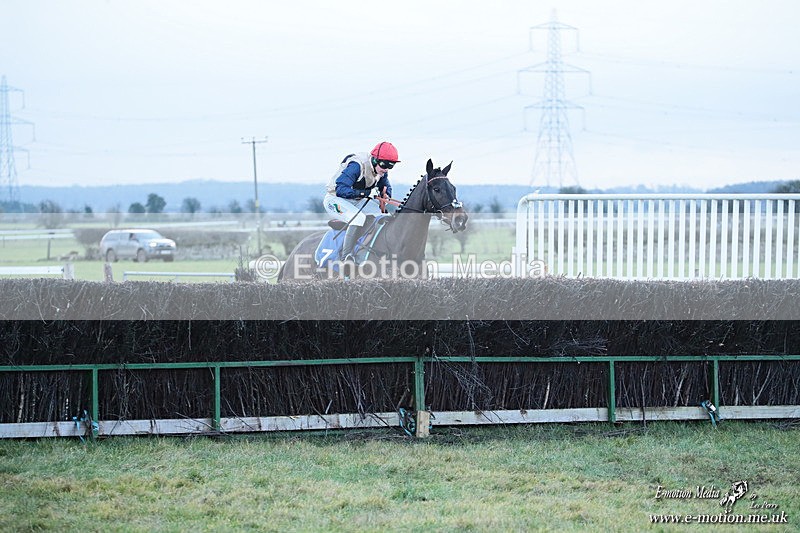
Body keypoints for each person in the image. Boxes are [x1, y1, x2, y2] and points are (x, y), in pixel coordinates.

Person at [323, 141, 399, 260]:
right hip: (335, 200)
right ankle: (345, 257)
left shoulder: (381, 170)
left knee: (384, 216)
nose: (386, 169)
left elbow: (386, 186)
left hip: (356, 201)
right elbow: (340, 189)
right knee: (358, 218)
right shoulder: (357, 165)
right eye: (384, 165)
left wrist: (387, 195)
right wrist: (367, 193)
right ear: (374, 160)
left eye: (391, 166)